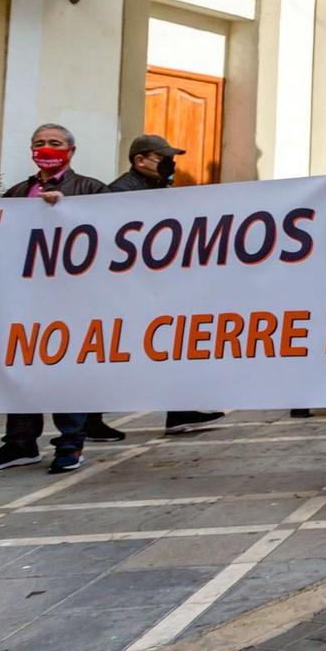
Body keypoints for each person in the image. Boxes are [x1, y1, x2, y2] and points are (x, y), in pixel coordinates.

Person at [0, 124, 106, 474]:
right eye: (39, 143)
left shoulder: (90, 189)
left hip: (71, 299)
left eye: (55, 143)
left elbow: (110, 233)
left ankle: (71, 444)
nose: (46, 148)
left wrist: (65, 210)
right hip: (25, 298)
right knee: (22, 367)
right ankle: (19, 443)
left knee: (65, 370)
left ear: (71, 151)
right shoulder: (19, 191)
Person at [107, 134, 225, 435]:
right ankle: (87, 421)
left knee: (173, 345)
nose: (171, 165)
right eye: (164, 158)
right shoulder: (120, 192)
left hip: (161, 284)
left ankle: (180, 411)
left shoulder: (159, 188)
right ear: (140, 160)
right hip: (135, 286)